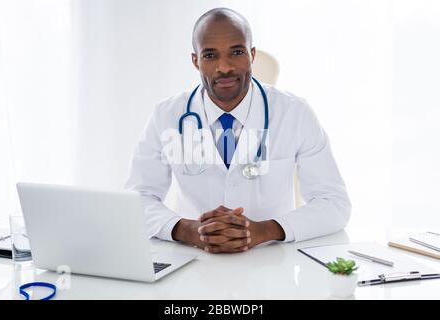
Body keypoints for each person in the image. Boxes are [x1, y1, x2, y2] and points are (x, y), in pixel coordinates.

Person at [125, 8, 351, 254]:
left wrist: (265, 230)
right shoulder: (166, 115)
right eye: (210, 55)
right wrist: (189, 230)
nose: (224, 67)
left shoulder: (294, 112)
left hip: (272, 260)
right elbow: (136, 200)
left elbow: (334, 204)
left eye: (237, 52)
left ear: (252, 55)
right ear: (195, 61)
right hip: (192, 259)